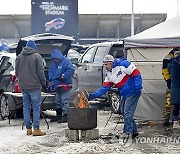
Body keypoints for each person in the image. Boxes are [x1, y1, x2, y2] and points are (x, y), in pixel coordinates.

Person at [88, 54, 142, 141]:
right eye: (104, 64)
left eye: (106, 64)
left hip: (133, 91)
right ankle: (134, 131)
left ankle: (127, 133)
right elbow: (104, 87)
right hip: (124, 93)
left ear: (111, 63)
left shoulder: (124, 64)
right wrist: (92, 96)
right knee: (124, 112)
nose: (105, 66)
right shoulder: (109, 74)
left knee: (127, 112)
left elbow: (136, 73)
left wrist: (138, 88)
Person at [15, 40, 46, 136]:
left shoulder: (19, 57)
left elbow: (16, 72)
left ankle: (28, 128)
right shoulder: (37, 57)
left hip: (23, 86)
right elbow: (40, 73)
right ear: (34, 47)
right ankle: (36, 129)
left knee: (26, 107)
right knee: (36, 107)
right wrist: (44, 83)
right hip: (34, 86)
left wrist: (22, 80)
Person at [48, 49, 75, 123]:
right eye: (54, 59)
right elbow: (50, 71)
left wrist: (64, 76)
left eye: (56, 59)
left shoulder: (66, 61)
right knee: (58, 101)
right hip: (57, 85)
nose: (56, 60)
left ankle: (66, 116)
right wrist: (50, 79)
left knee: (64, 101)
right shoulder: (53, 63)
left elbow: (71, 69)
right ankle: (59, 115)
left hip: (65, 85)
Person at [162, 49, 175, 126]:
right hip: (171, 83)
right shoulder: (167, 58)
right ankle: (166, 119)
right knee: (168, 101)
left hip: (176, 82)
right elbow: (164, 71)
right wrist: (169, 81)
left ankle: (176, 119)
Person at [168, 49, 180, 128]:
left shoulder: (172, 65)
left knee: (177, 105)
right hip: (177, 88)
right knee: (177, 105)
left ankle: (175, 121)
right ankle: (175, 122)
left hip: (175, 88)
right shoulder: (175, 67)